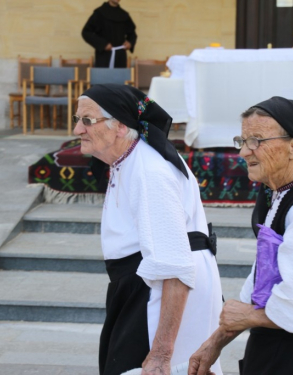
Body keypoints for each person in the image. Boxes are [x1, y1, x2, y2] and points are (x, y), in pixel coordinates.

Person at [188, 96, 293, 375]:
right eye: (242, 140)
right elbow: (264, 282)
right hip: (279, 354)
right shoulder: (282, 195)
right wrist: (214, 343)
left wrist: (245, 316)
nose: (244, 151)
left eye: (256, 140)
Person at [73, 84, 223, 375]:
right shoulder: (129, 159)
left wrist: (160, 354)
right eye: (78, 119)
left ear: (119, 126)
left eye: (87, 120)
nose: (78, 129)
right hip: (141, 285)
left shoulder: (150, 171)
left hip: (157, 292)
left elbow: (175, 266)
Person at [82, 0, 137, 68]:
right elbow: (86, 32)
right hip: (103, 57)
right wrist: (103, 44)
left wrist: (130, 43)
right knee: (103, 77)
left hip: (120, 57)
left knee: (120, 78)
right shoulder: (99, 13)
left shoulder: (124, 15)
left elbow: (132, 34)